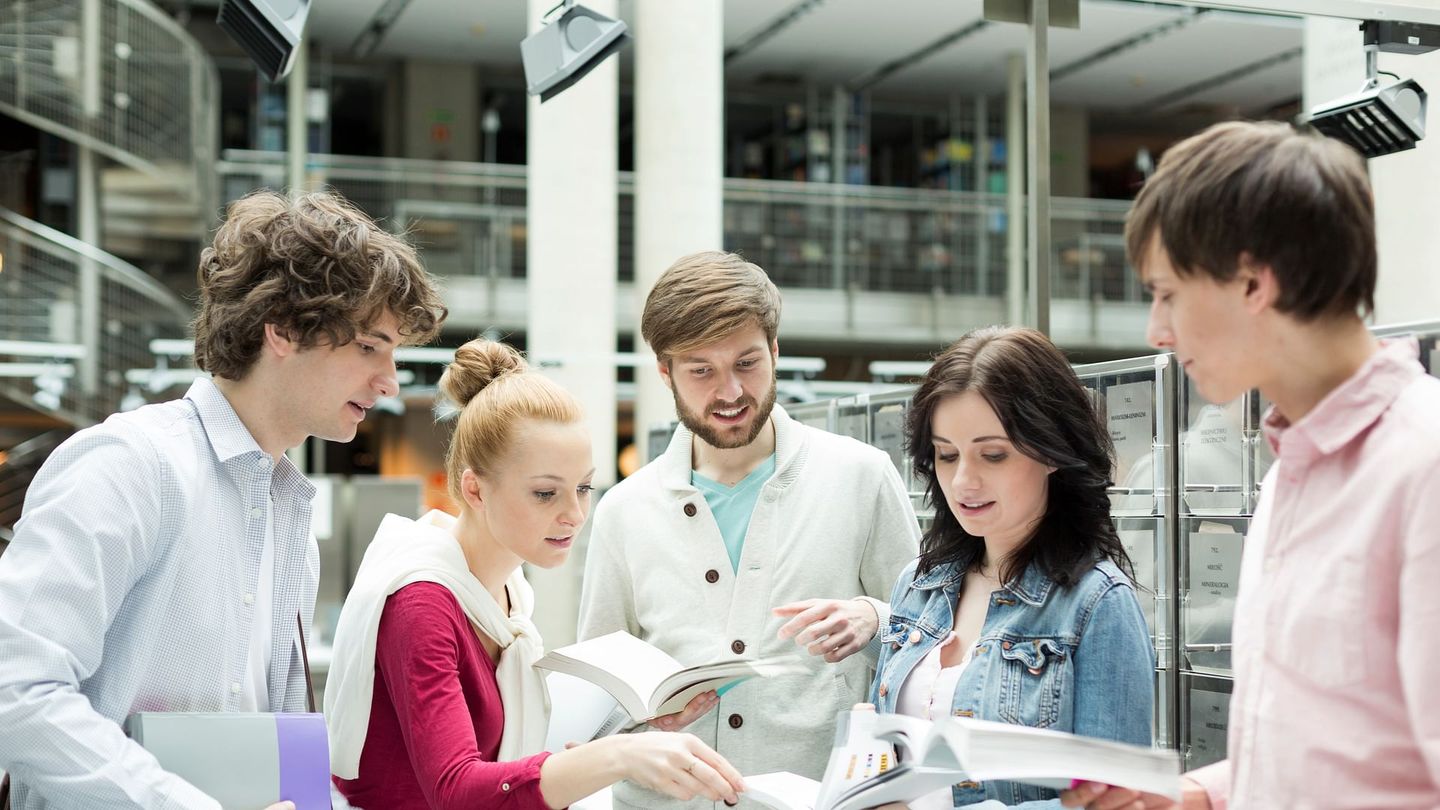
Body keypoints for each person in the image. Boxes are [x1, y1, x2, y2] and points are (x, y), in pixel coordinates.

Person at [0, 190, 447, 809]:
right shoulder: (129, 465)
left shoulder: (286, 505)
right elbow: (15, 690)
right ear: (284, 330)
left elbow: (269, 736)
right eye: (369, 346)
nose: (390, 379)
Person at [1061, 121, 1440, 810]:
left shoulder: (1423, 468)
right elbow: (1343, 746)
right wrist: (1201, 794)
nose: (1157, 331)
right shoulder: (1289, 470)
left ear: (1253, 281)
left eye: (1167, 291)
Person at [325, 339, 745, 810]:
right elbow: (457, 790)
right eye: (546, 494)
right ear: (475, 489)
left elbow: (510, 765)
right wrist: (620, 755)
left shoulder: (508, 595)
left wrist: (636, 729)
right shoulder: (423, 603)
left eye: (583, 488)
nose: (575, 514)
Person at [578, 251, 921, 808]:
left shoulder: (861, 476)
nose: (731, 392)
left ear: (776, 351)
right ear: (664, 372)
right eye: (701, 371)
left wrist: (875, 618)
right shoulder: (624, 509)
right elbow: (596, 693)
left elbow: (931, 642)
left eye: (747, 363)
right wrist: (646, 726)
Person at [868, 326, 1153, 810]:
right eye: (946, 455)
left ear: (1051, 452)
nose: (963, 480)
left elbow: (1117, 803)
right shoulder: (918, 584)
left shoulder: (1097, 603)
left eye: (993, 454)